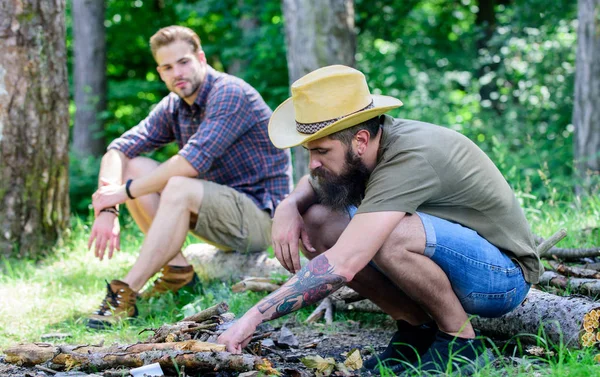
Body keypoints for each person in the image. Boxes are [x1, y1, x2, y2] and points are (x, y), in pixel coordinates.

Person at [217, 65, 542, 374]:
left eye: (322, 152)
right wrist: (289, 206)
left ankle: (460, 343)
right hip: (457, 259)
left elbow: (344, 262)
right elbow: (313, 185)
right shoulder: (364, 150)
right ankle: (417, 330)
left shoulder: (408, 157)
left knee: (388, 235)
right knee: (319, 220)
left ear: (359, 140)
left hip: (502, 278)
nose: (313, 163)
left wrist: (254, 317)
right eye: (309, 152)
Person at [86, 26, 291, 329]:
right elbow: (119, 149)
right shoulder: (175, 106)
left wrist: (123, 192)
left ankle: (125, 292)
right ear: (160, 72)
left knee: (177, 184)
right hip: (216, 212)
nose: (177, 72)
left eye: (183, 62)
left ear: (201, 58)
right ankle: (179, 271)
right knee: (136, 167)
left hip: (262, 219)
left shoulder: (230, 93)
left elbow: (190, 163)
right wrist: (108, 207)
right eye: (168, 67)